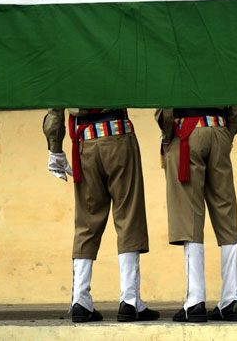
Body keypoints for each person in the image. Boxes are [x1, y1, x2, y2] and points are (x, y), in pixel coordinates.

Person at [43, 107, 159, 323]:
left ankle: (80, 300)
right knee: (128, 217)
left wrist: (55, 149)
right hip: (118, 134)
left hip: (85, 142)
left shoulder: (68, 70)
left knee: (86, 222)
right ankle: (130, 302)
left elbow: (55, 107)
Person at [155, 106, 237, 322]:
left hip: (186, 133)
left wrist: (167, 134)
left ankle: (195, 301)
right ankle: (232, 300)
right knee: (226, 216)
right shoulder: (225, 68)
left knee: (189, 218)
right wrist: (229, 130)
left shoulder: (178, 68)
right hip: (219, 129)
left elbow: (166, 101)